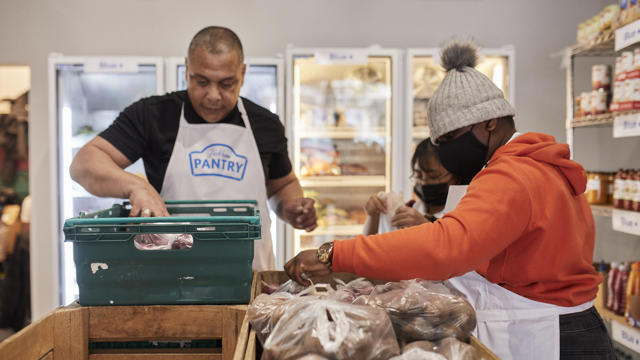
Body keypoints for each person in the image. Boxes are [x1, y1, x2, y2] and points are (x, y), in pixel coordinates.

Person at [285, 41, 615, 359]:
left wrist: (334, 254)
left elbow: (446, 247)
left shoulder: (514, 175)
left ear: (490, 122)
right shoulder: (534, 165)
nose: (445, 152)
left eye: (451, 138)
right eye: (438, 142)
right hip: (563, 323)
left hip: (553, 337)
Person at [70, 26, 317, 271]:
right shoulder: (152, 115)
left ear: (242, 73)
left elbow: (282, 185)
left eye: (226, 84)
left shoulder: (266, 124)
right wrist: (137, 187)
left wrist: (293, 208)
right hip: (173, 278)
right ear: (187, 69)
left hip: (250, 278)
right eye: (202, 81)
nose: (213, 95)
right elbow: (84, 163)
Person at [363, 138, 460, 235]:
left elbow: (457, 246)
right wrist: (373, 215)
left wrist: (425, 226)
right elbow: (367, 244)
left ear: (455, 175)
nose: (424, 182)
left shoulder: (462, 216)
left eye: (433, 176)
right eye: (418, 175)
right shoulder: (408, 209)